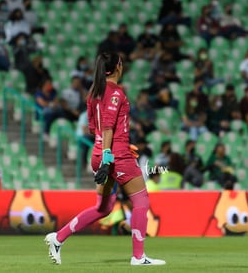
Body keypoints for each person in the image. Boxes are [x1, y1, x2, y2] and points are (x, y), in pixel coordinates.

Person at [45, 52, 166, 266]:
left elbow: (94, 128)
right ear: (118, 66)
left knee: (104, 208)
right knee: (141, 201)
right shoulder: (116, 92)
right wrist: (111, 154)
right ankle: (138, 257)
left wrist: (109, 149)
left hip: (100, 152)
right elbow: (108, 125)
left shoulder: (93, 92)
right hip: (115, 156)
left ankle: (58, 237)